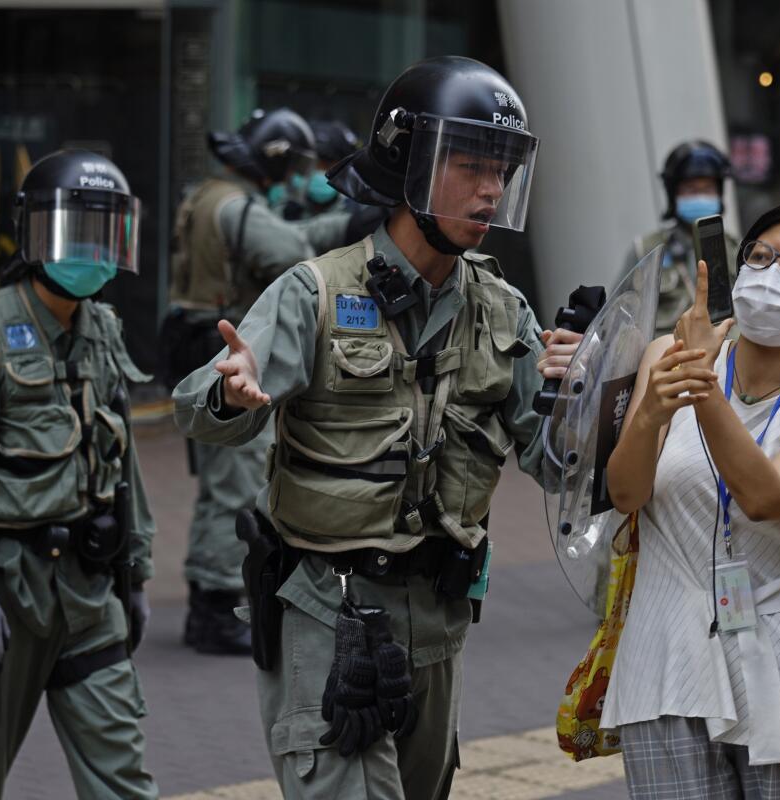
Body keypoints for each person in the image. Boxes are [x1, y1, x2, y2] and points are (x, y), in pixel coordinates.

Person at [173, 55, 580, 799]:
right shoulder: (316, 292)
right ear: (408, 164)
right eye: (470, 164)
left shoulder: (502, 309)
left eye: (503, 167)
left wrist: (586, 398)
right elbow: (199, 407)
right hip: (331, 613)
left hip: (440, 622)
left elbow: (559, 466)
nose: (492, 187)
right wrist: (231, 394)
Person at [603, 202, 780, 799]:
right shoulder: (664, 358)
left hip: (776, 657)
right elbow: (625, 493)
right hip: (663, 654)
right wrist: (652, 407)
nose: (773, 274)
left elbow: (762, 496)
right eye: (760, 256)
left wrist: (699, 382)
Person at [0, 149, 159, 799]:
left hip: (87, 592)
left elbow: (122, 458)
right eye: (78, 233)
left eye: (106, 235)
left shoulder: (103, 329)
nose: (94, 252)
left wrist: (135, 573)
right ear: (35, 235)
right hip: (4, 594)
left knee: (123, 776)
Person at [164, 108, 353, 655]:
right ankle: (217, 607)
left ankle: (208, 593)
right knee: (235, 479)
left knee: (219, 482)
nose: (300, 175)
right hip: (226, 353)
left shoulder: (210, 194)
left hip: (206, 345)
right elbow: (289, 252)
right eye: (296, 165)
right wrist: (346, 227)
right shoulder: (235, 206)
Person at [626, 140, 741, 336]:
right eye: (691, 189)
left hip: (725, 358)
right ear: (673, 194)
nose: (700, 196)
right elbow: (621, 319)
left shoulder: (738, 250)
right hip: (667, 360)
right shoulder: (647, 250)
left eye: (707, 189)